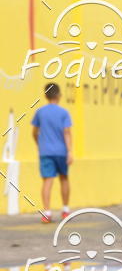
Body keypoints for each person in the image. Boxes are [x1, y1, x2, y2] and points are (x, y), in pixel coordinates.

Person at [31, 83, 73, 223]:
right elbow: (67, 133)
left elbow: (34, 132)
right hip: (61, 151)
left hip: (45, 152)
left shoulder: (40, 112)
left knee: (47, 181)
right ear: (59, 95)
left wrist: (40, 144)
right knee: (64, 178)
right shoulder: (64, 113)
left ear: (45, 95)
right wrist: (70, 151)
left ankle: (47, 212)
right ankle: (65, 210)